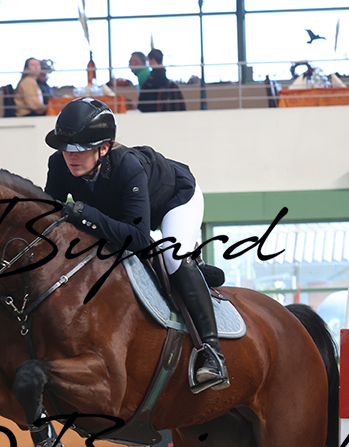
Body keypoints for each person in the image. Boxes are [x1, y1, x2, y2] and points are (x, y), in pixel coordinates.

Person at [44, 97, 228, 392]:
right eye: (66, 148)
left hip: (174, 201)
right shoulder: (58, 163)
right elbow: (49, 215)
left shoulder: (127, 167)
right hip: (124, 214)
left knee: (171, 256)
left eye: (80, 149)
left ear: (104, 148)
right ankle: (198, 271)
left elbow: (140, 238)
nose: (70, 156)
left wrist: (87, 215)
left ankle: (211, 353)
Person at [129, 48, 169, 113]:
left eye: (149, 61)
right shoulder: (155, 75)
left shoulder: (148, 76)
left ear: (153, 60)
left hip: (149, 109)